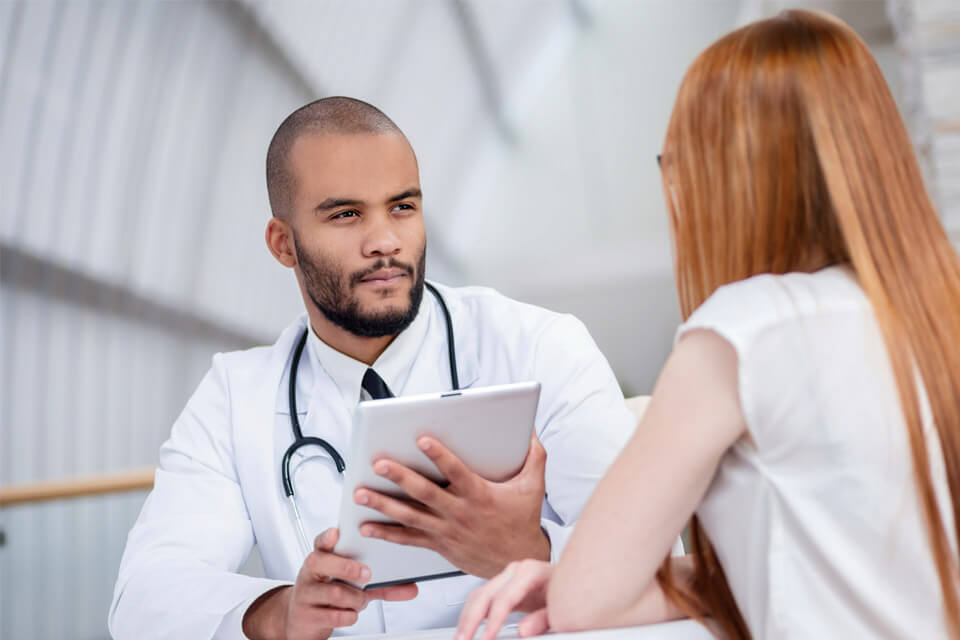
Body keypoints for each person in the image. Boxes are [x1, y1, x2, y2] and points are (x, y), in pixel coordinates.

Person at [456, 9, 960, 640]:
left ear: (730, 177)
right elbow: (852, 570)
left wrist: (569, 571)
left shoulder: (746, 333)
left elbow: (588, 598)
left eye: (677, 161)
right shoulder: (939, 313)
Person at [108, 97, 639, 639]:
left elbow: (654, 558)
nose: (385, 241)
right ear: (283, 244)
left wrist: (528, 550)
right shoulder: (235, 396)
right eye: (346, 214)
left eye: (403, 207)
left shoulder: (540, 347)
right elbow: (144, 597)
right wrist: (281, 612)